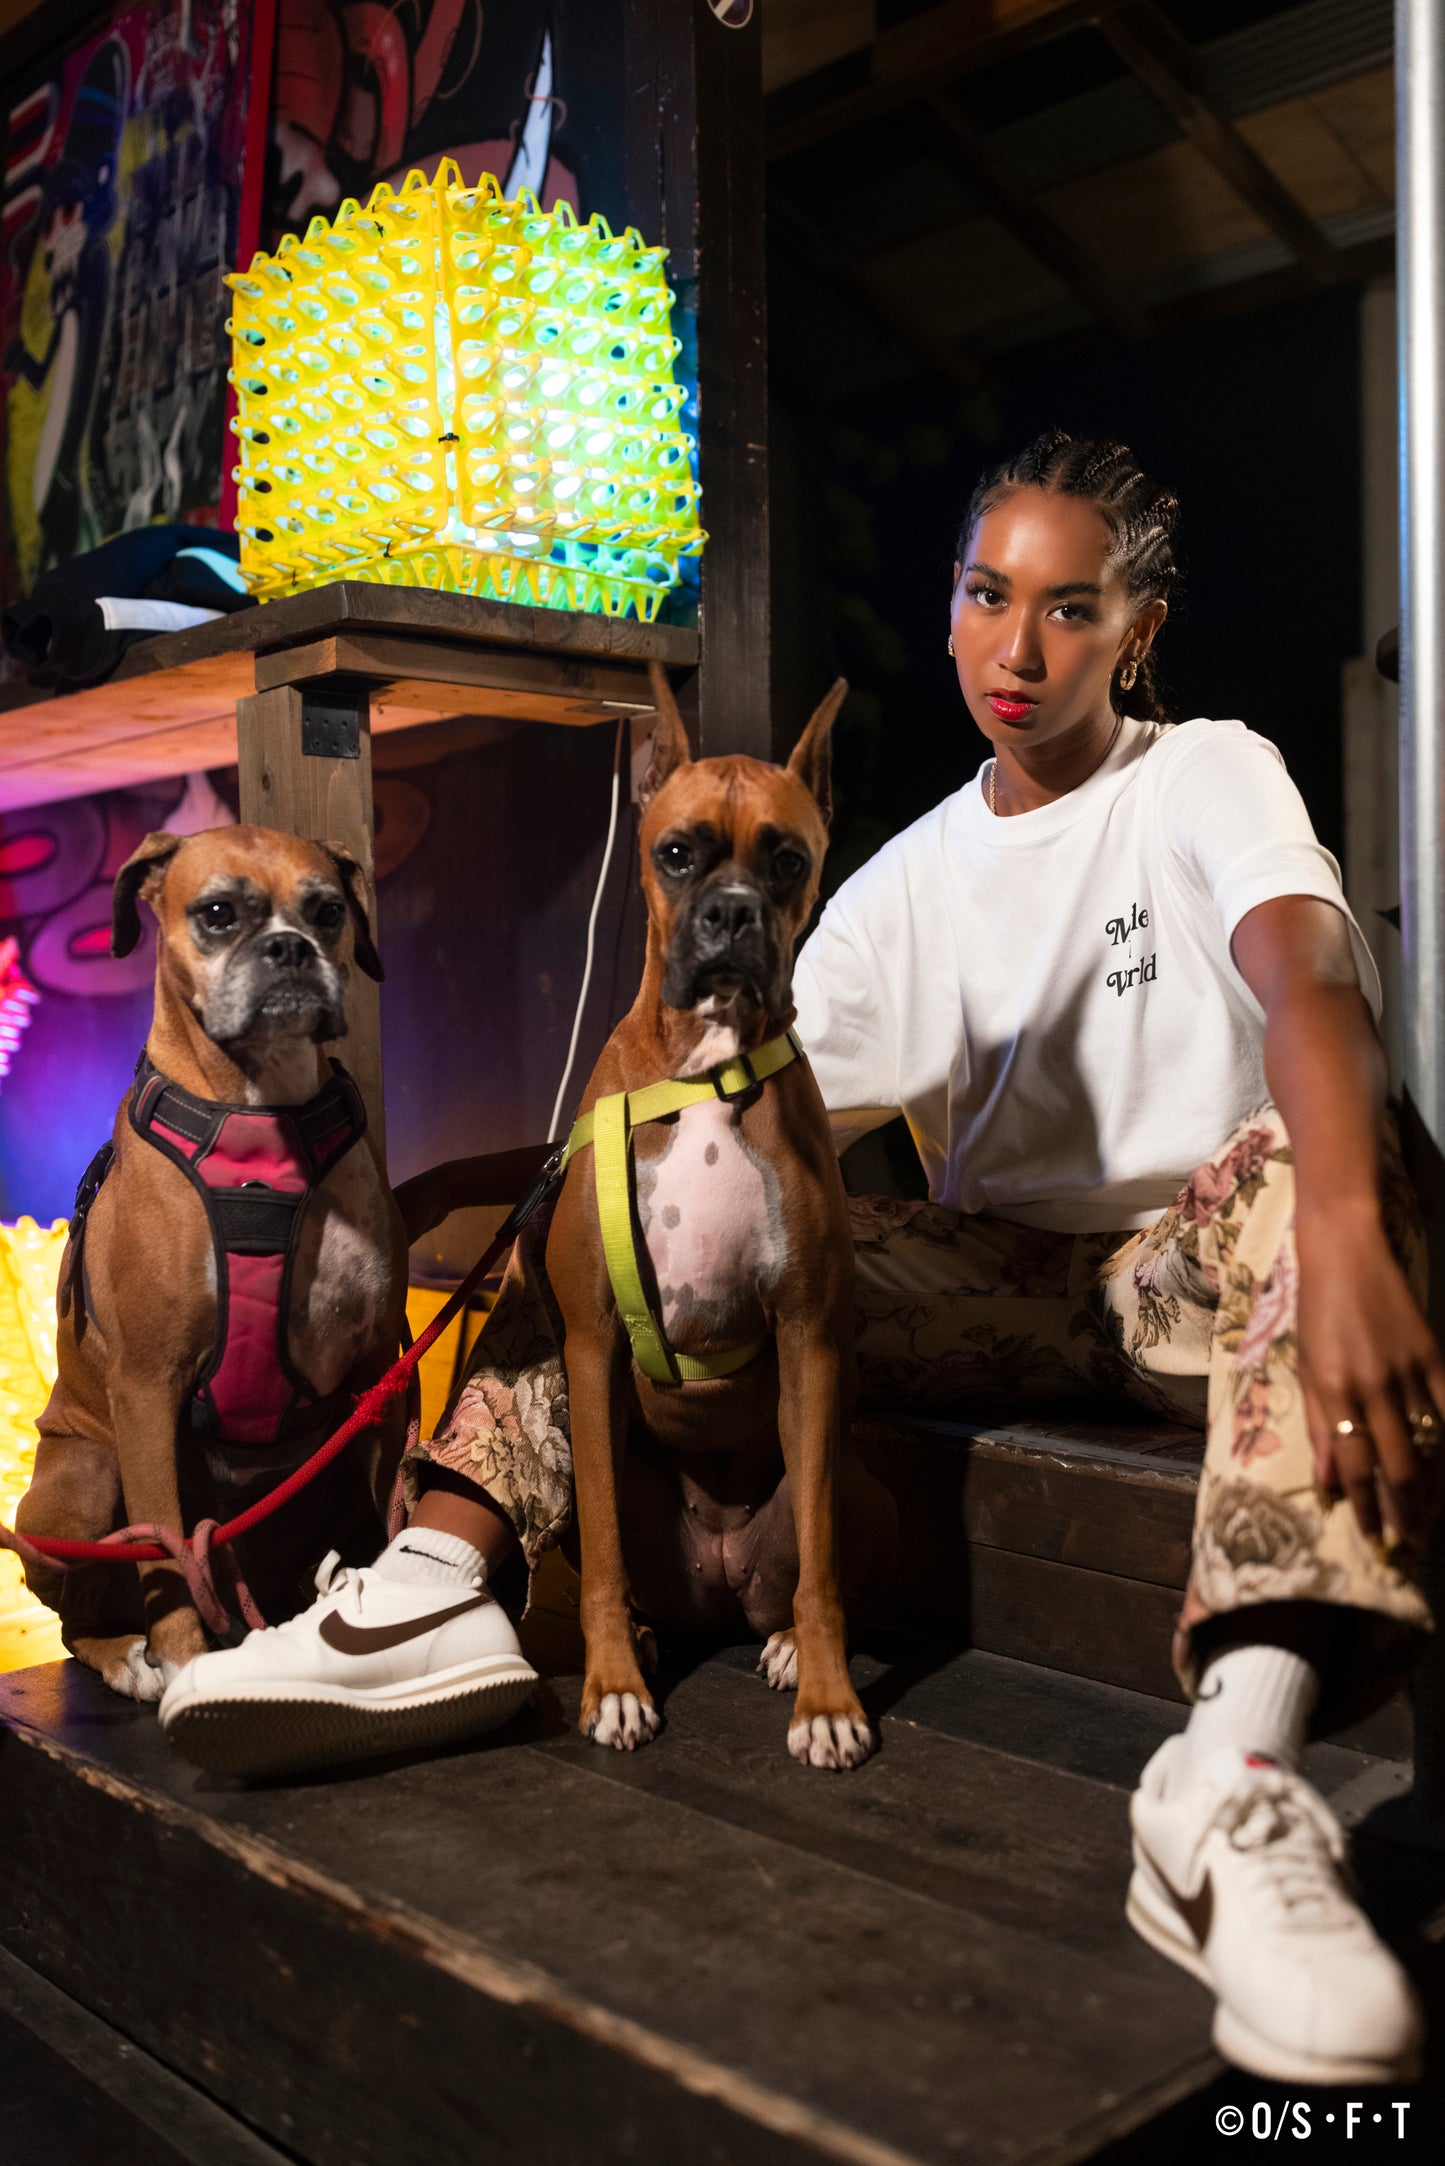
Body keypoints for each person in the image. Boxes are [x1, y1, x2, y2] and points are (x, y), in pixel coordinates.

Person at [162, 429, 1437, 2087]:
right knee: (625, 1208)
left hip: (1205, 1253)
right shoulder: (900, 882)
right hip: (994, 1277)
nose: (1016, 645)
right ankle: (439, 1574)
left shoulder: (1204, 773)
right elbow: (691, 1128)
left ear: (1136, 630)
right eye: (985, 594)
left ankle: (1235, 1775)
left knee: (1324, 1150)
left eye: (1070, 607)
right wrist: (401, 1197)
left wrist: (1340, 1221)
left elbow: (1311, 988)